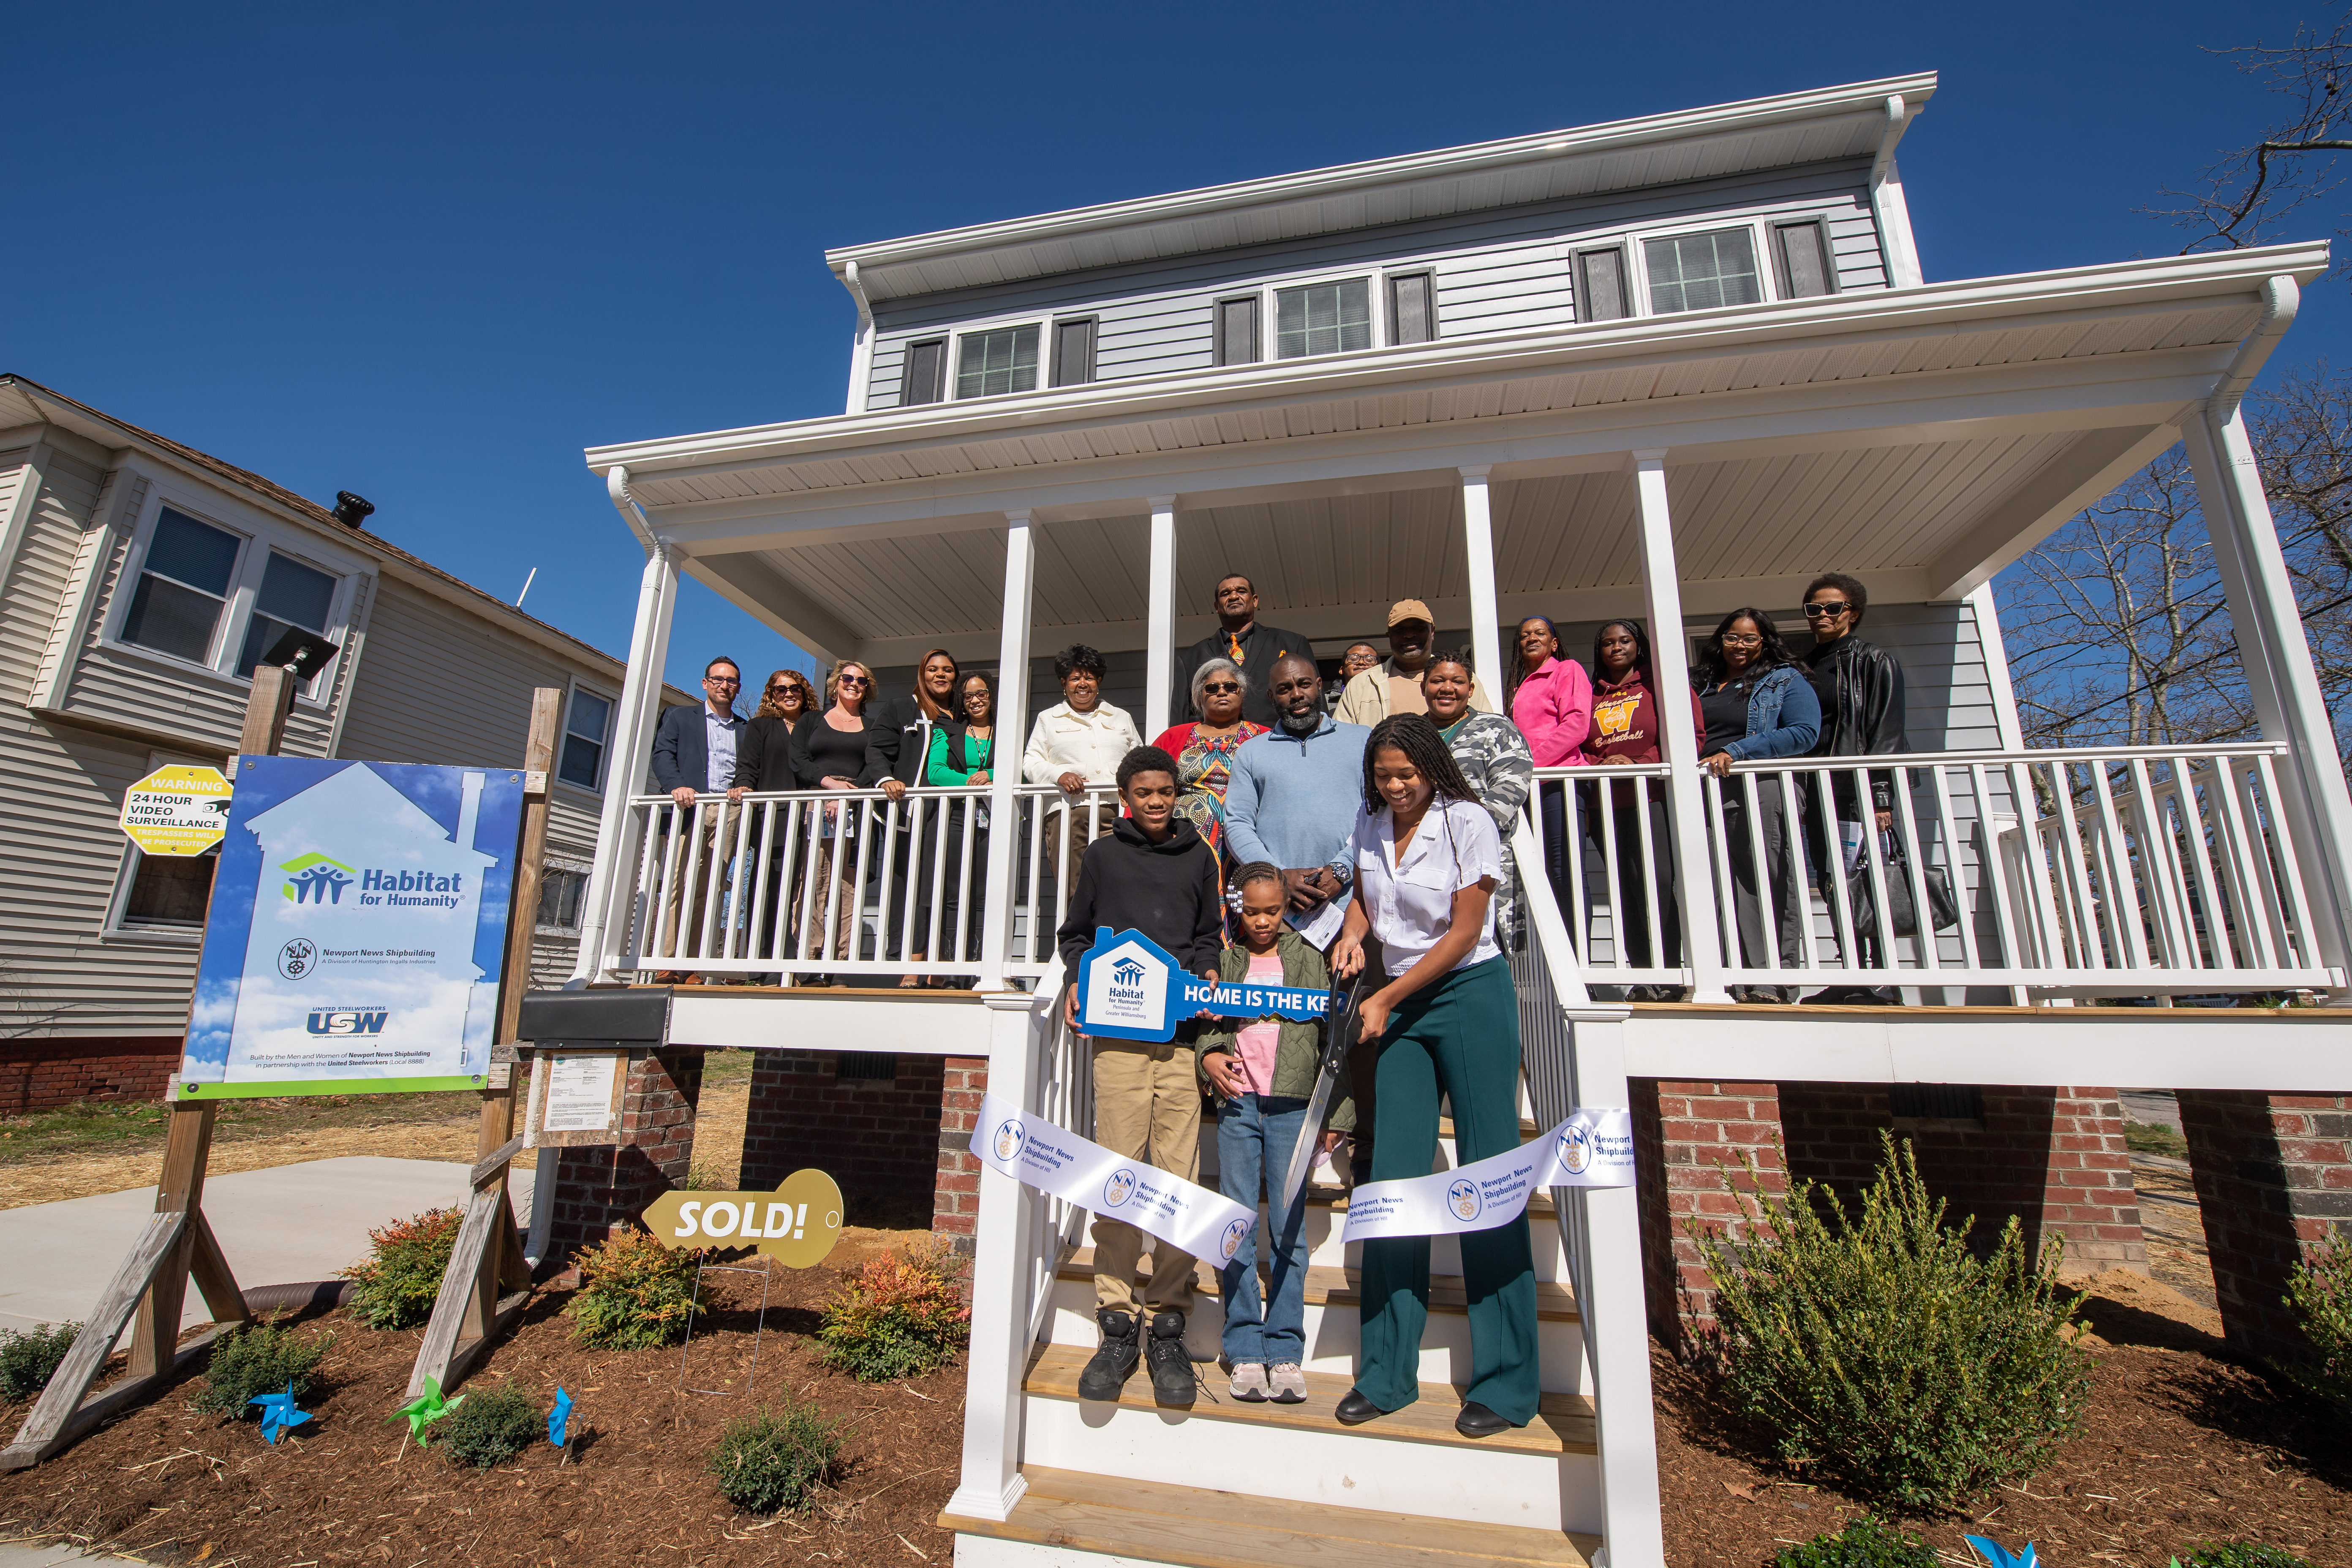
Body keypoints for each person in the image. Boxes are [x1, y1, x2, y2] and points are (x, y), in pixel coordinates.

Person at [1328, 715, 1536, 1438]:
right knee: (1391, 1182)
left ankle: (1507, 1385)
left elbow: (1464, 930)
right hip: (1398, 1000)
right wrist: (1353, 938)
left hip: (1467, 995)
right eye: (1383, 776)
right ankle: (1384, 1373)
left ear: (1430, 766)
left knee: (1486, 1177)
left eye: (1405, 775)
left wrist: (1384, 995)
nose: (1394, 786)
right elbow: (1362, 898)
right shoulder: (1367, 819)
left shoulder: (1468, 820)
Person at [1059, 746, 1225, 1408]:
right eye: (1144, 793)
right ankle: (1117, 1319)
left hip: (1182, 1037)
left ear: (1177, 794)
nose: (1156, 802)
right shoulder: (1102, 856)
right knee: (1121, 1174)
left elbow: (1210, 935)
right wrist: (1077, 979)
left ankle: (1168, 1321)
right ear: (1126, 796)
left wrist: (1210, 969)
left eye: (1165, 792)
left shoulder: (1199, 857)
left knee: (1178, 1179)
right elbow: (1075, 935)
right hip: (1120, 1041)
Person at [1196, 861, 1352, 1405]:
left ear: (1286, 907)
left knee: (1289, 1230)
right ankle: (1242, 1345)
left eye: (1273, 910)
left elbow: (1335, 1039)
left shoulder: (1310, 959)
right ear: (1237, 907)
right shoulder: (1226, 960)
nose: (1262, 921)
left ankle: (1284, 1346)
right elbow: (1208, 1026)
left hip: (1292, 1110)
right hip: (1239, 1106)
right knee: (1236, 1225)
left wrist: (1336, 1114)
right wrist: (1209, 1056)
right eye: (1252, 911)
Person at [1693, 610, 1821, 1004]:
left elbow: (1804, 733)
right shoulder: (1702, 684)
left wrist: (1736, 751)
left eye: (1750, 639)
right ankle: (1728, 978)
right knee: (1712, 885)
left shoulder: (1785, 679)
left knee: (1764, 878)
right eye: (1734, 637)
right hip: (1706, 790)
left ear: (1764, 641)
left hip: (1760, 786)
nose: (1741, 646)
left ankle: (1771, 982)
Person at [1797, 573, 1910, 1004]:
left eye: (1832, 608)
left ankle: (1882, 979)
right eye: (1814, 609)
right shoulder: (1808, 666)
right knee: (1832, 881)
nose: (1822, 615)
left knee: (1868, 881)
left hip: (1857, 791)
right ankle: (1851, 974)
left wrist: (1880, 797)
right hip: (1819, 788)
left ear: (1853, 613)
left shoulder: (1874, 660)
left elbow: (1887, 732)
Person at [1582, 620, 1704, 1000]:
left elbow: (1693, 736)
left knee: (1656, 884)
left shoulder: (1661, 685)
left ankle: (1670, 972)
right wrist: (1595, 763)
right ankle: (1645, 976)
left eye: (1625, 641)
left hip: (1651, 799)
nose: (1616, 648)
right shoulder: (1591, 694)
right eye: (1607, 643)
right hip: (1606, 804)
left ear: (1640, 646)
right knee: (1624, 889)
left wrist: (1640, 763)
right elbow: (1579, 743)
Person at [1222, 654, 1372, 956]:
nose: (1296, 695)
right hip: (1282, 912)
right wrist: (1277, 877)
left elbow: (1377, 814)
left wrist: (1341, 869)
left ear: (1319, 685)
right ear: (1271, 696)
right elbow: (1237, 823)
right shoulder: (1251, 753)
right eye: (1284, 688)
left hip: (1354, 904)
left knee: (1353, 998)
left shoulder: (1362, 740)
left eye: (1304, 684)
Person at [1023, 645, 1143, 941]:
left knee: (1118, 882)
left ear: (1098, 681)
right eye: (1075, 678)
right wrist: (1058, 775)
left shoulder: (1120, 717)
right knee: (1075, 885)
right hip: (1069, 813)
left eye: (1089, 678)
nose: (1082, 684)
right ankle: (1078, 949)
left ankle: (1113, 944)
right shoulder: (1049, 719)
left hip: (1117, 814)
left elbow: (1138, 758)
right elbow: (1031, 761)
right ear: (1064, 684)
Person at [1421, 651, 1534, 948]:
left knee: (1482, 950)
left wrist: (1459, 834)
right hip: (1422, 861)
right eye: (1438, 681)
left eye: (1457, 681)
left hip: (1481, 861)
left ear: (1470, 690)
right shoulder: (1411, 734)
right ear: (1423, 687)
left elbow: (1511, 787)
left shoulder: (1497, 729)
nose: (1447, 688)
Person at [648, 656, 747, 983]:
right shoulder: (680, 717)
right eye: (718, 679)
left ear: (738, 687)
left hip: (728, 812)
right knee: (677, 883)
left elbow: (748, 769)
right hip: (688, 808)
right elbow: (662, 753)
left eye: (731, 681)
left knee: (711, 887)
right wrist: (676, 785)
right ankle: (667, 962)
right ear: (705, 683)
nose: (724, 686)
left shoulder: (743, 728)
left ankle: (690, 965)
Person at [786, 658, 883, 982]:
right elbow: (798, 759)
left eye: (861, 680)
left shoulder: (873, 727)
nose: (853, 683)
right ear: (835, 684)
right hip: (818, 801)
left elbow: (876, 764)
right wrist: (828, 786)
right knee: (814, 881)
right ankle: (810, 959)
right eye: (847, 678)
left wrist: (848, 793)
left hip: (856, 806)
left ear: (867, 688)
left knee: (848, 886)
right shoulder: (812, 720)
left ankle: (839, 962)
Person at [870, 649, 961, 987]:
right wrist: (886, 779)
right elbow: (877, 750)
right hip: (908, 814)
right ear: (922, 674)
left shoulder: (960, 714)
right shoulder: (901, 708)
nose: (941, 675)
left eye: (948, 670)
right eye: (933, 669)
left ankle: (938, 965)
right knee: (910, 889)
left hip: (951, 816)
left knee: (943, 889)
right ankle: (911, 959)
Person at [728, 668, 818, 981]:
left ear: (805, 691)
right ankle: (763, 963)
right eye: (781, 690)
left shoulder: (816, 726)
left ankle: (805, 964)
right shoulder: (761, 727)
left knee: (809, 890)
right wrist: (743, 787)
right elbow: (747, 767)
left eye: (795, 688)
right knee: (769, 889)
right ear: (772, 694)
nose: (789, 694)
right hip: (775, 821)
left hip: (813, 819)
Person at [1506, 615, 1591, 929]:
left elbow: (1577, 725)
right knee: (1541, 872)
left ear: (1554, 643)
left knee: (1564, 870)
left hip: (1560, 782)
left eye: (1539, 633)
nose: (1531, 637)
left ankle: (1578, 960)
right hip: (1531, 787)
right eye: (1525, 634)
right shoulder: (1520, 684)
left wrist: (1528, 766)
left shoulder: (1566, 670)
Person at [1149, 657, 1270, 877]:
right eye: (1212, 688)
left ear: (1242, 693)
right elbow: (1145, 785)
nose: (1222, 692)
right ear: (1198, 696)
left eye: (1231, 687)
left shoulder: (1265, 737)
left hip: (1251, 845)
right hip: (1184, 846)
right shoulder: (1173, 737)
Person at [915, 671, 997, 984]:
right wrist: (970, 782)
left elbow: (1023, 770)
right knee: (953, 894)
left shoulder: (1008, 732)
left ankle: (980, 967)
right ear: (962, 700)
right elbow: (935, 772)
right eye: (969, 695)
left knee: (985, 893)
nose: (976, 700)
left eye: (982, 694)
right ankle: (952, 970)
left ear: (991, 696)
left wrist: (991, 774)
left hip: (995, 818)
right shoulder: (947, 730)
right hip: (958, 816)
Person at [1170, 573, 1315, 729]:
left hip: (1277, 743)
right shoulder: (1190, 659)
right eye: (1225, 594)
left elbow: (1314, 701)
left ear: (1255, 600)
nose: (1233, 596)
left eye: (1241, 591)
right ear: (1217, 607)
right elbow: (1179, 722)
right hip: (1215, 749)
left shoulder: (1292, 643)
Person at [1333, 599, 1496, 726]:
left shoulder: (1463, 680)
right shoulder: (1361, 685)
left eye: (1418, 628)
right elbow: (1342, 741)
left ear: (1432, 632)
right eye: (1400, 630)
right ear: (1389, 635)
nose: (1409, 635)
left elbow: (1486, 730)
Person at [1326, 642, 1381, 715]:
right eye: (1354, 659)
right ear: (1342, 670)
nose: (1361, 662)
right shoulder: (1324, 701)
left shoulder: (1386, 697)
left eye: (1369, 660)